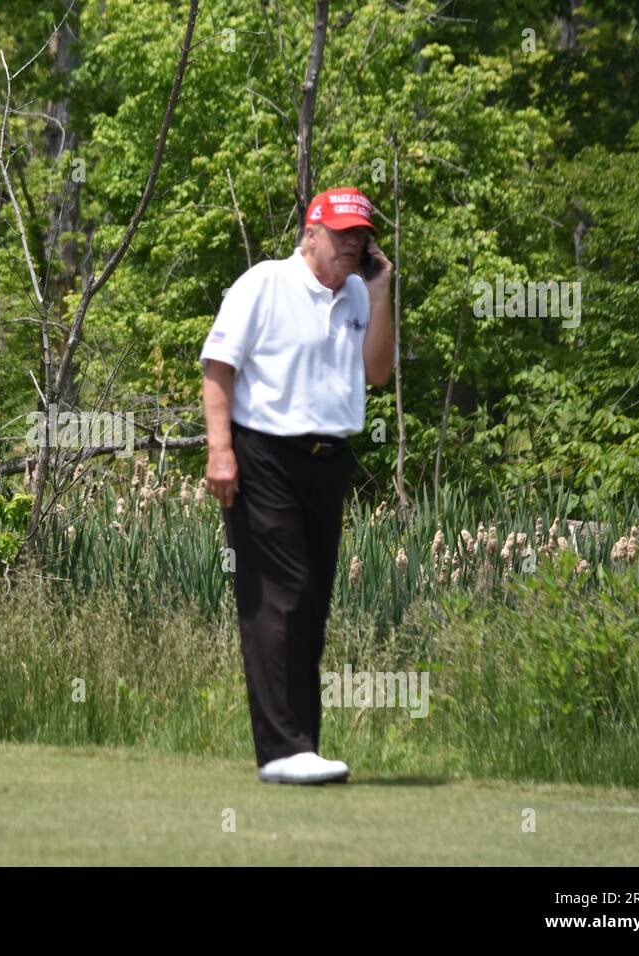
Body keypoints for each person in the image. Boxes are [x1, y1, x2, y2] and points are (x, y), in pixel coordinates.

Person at [199, 187, 394, 785]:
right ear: (311, 234)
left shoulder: (360, 292)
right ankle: (282, 748)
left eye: (360, 234)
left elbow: (378, 371)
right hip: (265, 456)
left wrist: (382, 287)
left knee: (311, 601)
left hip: (328, 461)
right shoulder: (265, 284)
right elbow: (218, 366)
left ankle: (301, 745)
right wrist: (221, 451)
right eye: (342, 234)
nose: (353, 243)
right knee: (278, 592)